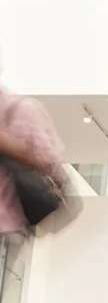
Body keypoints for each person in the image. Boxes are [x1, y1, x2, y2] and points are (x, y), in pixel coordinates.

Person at [0, 88, 66, 235]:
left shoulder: (22, 111)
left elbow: (48, 162)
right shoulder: (24, 109)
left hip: (10, 227)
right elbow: (52, 164)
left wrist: (10, 147)